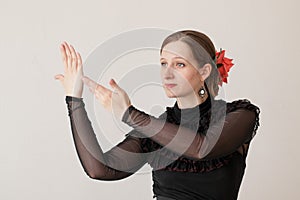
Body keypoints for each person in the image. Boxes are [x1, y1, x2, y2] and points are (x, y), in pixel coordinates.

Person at [54, 30, 260, 200]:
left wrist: (129, 114)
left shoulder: (239, 115)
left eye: (179, 64)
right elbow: (99, 169)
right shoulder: (156, 128)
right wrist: (74, 100)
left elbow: (202, 148)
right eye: (163, 63)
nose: (167, 73)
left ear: (204, 71)